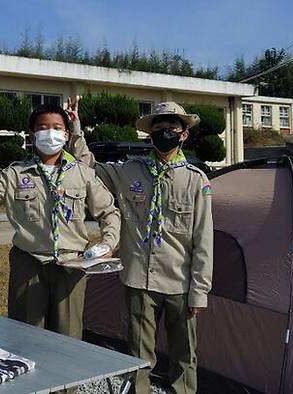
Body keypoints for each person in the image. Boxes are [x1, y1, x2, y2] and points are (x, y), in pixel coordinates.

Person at [67, 100, 213, 394]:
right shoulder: (130, 172)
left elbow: (203, 239)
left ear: (184, 134)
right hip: (138, 281)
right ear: (149, 134)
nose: (164, 133)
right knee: (138, 355)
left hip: (180, 284)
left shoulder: (196, 181)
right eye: (158, 128)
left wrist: (200, 292)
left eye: (171, 128)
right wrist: (75, 129)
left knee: (184, 357)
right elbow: (88, 169)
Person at [0, 104, 121, 342]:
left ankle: (68, 379)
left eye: (56, 128)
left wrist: (109, 242)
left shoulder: (82, 173)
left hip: (71, 266)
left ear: (66, 134)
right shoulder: (15, 174)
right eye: (42, 128)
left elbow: (109, 211)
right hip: (29, 265)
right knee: (26, 336)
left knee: (68, 337)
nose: (49, 133)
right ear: (31, 134)